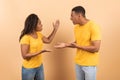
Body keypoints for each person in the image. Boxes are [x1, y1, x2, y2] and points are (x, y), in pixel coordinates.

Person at [55, 6, 101, 80]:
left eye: (72, 16)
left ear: (79, 16)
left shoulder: (93, 26)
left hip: (89, 65)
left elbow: (96, 48)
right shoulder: (76, 28)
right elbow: (77, 43)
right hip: (78, 63)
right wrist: (66, 45)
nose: (70, 18)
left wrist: (79, 46)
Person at [19, 13, 59, 80]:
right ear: (34, 25)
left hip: (39, 66)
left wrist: (55, 29)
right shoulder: (25, 38)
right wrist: (40, 52)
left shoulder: (39, 34)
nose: (41, 25)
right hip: (29, 69)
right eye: (39, 23)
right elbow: (24, 55)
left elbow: (48, 40)